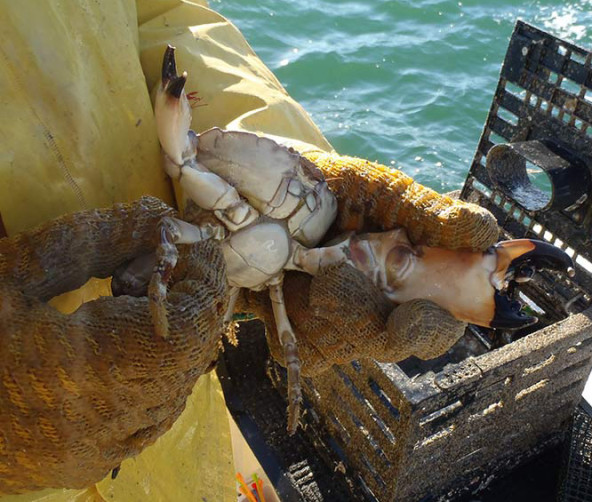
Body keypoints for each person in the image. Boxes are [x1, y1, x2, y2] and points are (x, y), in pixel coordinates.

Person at [0, 1, 498, 500]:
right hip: (41, 456)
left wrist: (301, 164)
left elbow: (164, 17)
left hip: (182, 378)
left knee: (183, 385)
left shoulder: (323, 246)